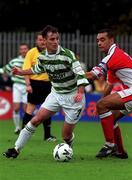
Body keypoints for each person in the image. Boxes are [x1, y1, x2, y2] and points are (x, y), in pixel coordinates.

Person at [3, 25, 89, 158]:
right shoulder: (43, 57)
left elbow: (80, 74)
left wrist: (80, 92)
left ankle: (68, 149)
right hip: (55, 94)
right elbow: (36, 69)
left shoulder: (67, 54)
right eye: (52, 39)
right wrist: (20, 72)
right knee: (36, 119)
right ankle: (16, 149)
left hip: (73, 96)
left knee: (65, 135)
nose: (55, 42)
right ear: (44, 40)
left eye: (57, 39)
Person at [86, 28, 132, 158]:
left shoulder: (112, 56)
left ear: (111, 40)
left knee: (103, 106)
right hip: (131, 90)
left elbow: (93, 75)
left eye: (102, 40)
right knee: (110, 117)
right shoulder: (114, 56)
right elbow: (109, 85)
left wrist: (71, 76)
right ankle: (120, 151)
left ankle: (109, 144)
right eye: (97, 41)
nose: (99, 43)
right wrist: (101, 105)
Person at [22, 31, 56, 142]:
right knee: (30, 109)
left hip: (48, 84)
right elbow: (26, 69)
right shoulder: (31, 52)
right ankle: (23, 132)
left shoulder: (51, 52)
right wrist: (28, 84)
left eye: (43, 40)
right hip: (35, 84)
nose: (42, 42)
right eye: (40, 40)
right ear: (36, 41)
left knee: (48, 109)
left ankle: (47, 136)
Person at [0, 43, 29, 134]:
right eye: (22, 49)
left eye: (25, 49)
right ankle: (17, 128)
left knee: (26, 109)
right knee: (16, 108)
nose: (24, 50)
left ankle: (25, 129)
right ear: (19, 51)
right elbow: (5, 69)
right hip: (17, 86)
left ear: (28, 50)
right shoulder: (14, 61)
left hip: (28, 86)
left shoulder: (32, 60)